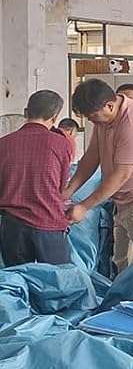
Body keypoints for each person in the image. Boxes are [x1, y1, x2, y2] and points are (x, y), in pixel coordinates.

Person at [66, 78, 133, 270]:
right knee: (122, 260)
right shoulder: (104, 120)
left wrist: (83, 207)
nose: (91, 120)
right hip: (122, 200)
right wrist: (68, 191)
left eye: (93, 116)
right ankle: (125, 289)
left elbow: (121, 175)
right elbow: (91, 157)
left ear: (109, 105)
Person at [0, 90, 74, 266]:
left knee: (18, 277)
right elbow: (61, 186)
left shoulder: (3, 143)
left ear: (26, 112)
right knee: (56, 278)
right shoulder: (61, 143)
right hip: (49, 223)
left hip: (13, 226)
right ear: (55, 116)